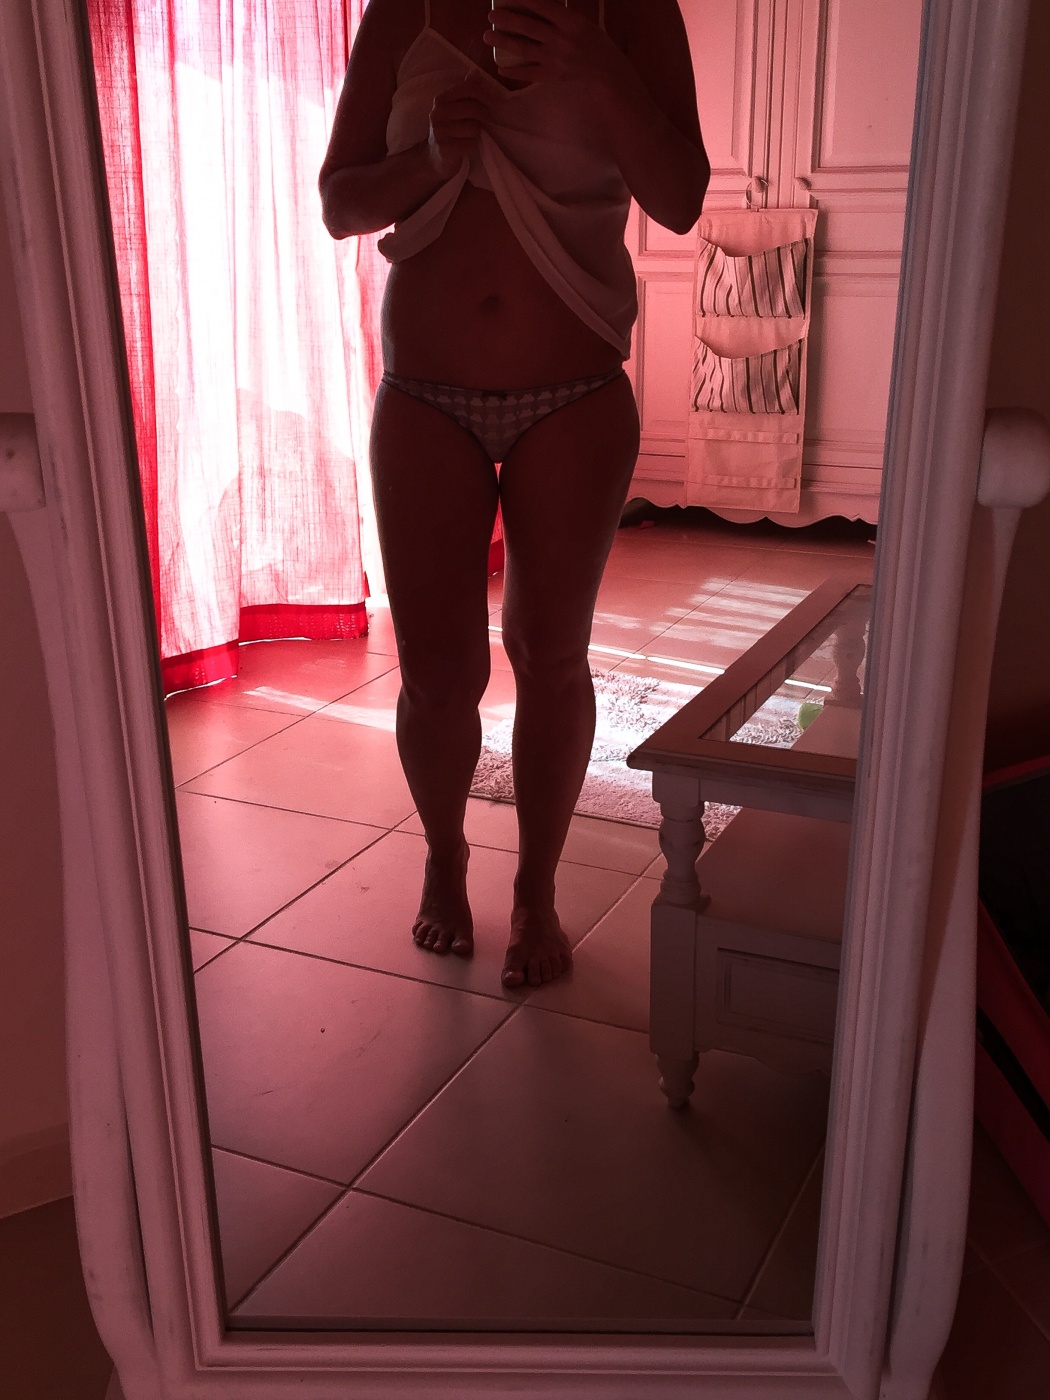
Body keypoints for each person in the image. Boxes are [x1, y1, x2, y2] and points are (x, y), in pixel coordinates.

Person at [319, 0, 708, 989]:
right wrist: (426, 160)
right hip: (425, 394)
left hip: (574, 393)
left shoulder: (632, 12)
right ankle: (444, 854)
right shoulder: (401, 10)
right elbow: (339, 202)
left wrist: (600, 69)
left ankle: (537, 888)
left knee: (550, 651)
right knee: (438, 675)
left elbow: (680, 198)